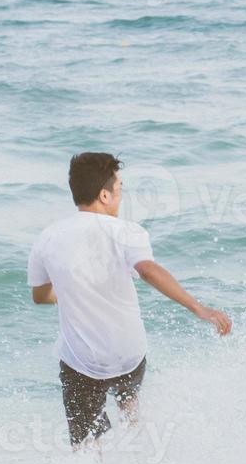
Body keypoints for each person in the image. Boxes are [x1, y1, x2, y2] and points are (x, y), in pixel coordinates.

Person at [28, 152, 232, 449]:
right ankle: (138, 454)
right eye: (120, 190)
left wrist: (70, 292)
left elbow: (40, 295)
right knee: (130, 407)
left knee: (86, 443)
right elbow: (147, 270)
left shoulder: (48, 237)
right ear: (104, 195)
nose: (121, 198)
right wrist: (198, 307)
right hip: (128, 354)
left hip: (82, 358)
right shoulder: (127, 231)